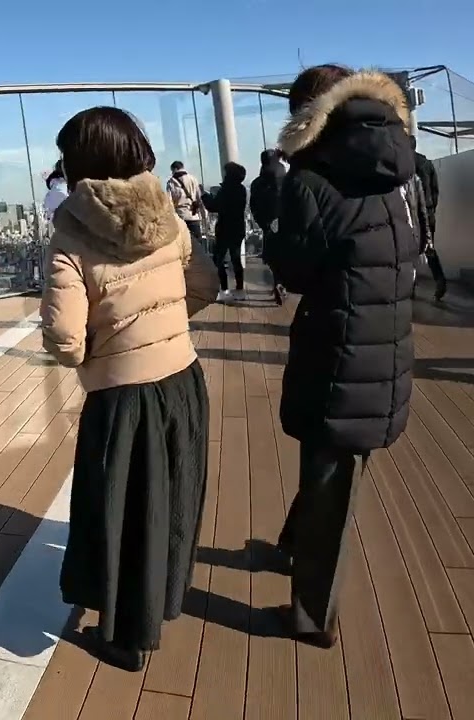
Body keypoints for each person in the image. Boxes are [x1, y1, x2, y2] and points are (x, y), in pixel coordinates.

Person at [40, 106, 218, 672]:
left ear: (80, 162)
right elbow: (205, 285)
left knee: (118, 509)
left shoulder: (71, 234)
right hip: (183, 381)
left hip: (120, 397)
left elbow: (65, 338)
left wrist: (104, 352)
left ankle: (126, 636)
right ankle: (161, 601)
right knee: (170, 499)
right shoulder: (167, 213)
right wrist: (165, 328)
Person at [268, 65, 416, 649]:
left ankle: (312, 617)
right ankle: (293, 544)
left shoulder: (311, 179)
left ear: (309, 114)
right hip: (386, 339)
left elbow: (296, 270)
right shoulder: (398, 165)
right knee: (337, 463)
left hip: (338, 343)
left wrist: (278, 230)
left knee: (331, 473)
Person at [202, 162, 248, 301]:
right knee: (236, 259)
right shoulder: (241, 189)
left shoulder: (226, 190)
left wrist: (204, 195)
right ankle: (240, 289)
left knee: (218, 259)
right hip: (238, 228)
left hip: (225, 229)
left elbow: (213, 206)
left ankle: (224, 288)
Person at [412, 135, 448, 301]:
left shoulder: (405, 165)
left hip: (412, 212)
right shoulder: (427, 163)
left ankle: (410, 285)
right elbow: (435, 189)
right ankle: (439, 280)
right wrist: (431, 209)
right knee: (429, 247)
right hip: (428, 212)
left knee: (407, 250)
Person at [250, 149, 288, 305]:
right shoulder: (288, 179)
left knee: (273, 256)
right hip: (288, 223)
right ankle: (287, 282)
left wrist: (263, 223)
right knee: (289, 254)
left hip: (268, 225)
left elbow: (254, 206)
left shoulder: (257, 183)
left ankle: (278, 281)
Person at [167, 161, 206, 248]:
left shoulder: (171, 182)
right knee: (197, 245)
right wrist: (203, 216)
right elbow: (199, 199)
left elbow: (169, 203)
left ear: (175, 169)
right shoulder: (193, 179)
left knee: (183, 246)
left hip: (180, 217)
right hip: (193, 216)